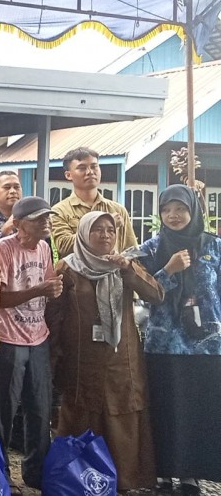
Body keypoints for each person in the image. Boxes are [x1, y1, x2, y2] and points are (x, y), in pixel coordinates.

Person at [47, 212, 163, 491]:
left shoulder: (124, 265)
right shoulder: (67, 268)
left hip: (122, 358)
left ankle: (124, 478)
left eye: (110, 230)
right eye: (97, 229)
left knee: (122, 411)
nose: (105, 235)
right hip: (81, 359)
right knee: (83, 411)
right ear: (83, 234)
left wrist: (128, 268)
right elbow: (53, 314)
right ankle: (81, 477)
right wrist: (54, 356)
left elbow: (156, 294)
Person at [137, 185, 221, 494]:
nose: (173, 215)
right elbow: (142, 293)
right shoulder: (150, 248)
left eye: (181, 209)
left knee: (199, 408)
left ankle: (191, 475)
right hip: (164, 343)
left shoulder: (214, 246)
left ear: (193, 211)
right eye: (167, 209)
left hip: (206, 344)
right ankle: (162, 472)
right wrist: (168, 270)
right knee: (164, 407)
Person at [0, 197, 61, 493]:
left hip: (38, 336)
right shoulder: (1, 249)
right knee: (3, 411)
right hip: (8, 339)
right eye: (38, 219)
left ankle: (36, 473)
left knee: (40, 409)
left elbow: (49, 286)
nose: (46, 223)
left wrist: (55, 288)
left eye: (47, 217)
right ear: (18, 224)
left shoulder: (44, 247)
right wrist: (39, 289)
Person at [51, 147, 137, 257]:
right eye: (82, 168)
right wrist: (107, 225)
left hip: (113, 268)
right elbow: (64, 246)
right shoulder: (59, 211)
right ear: (68, 175)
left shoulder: (118, 210)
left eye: (94, 166)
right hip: (77, 269)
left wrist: (125, 262)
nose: (90, 172)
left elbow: (132, 251)